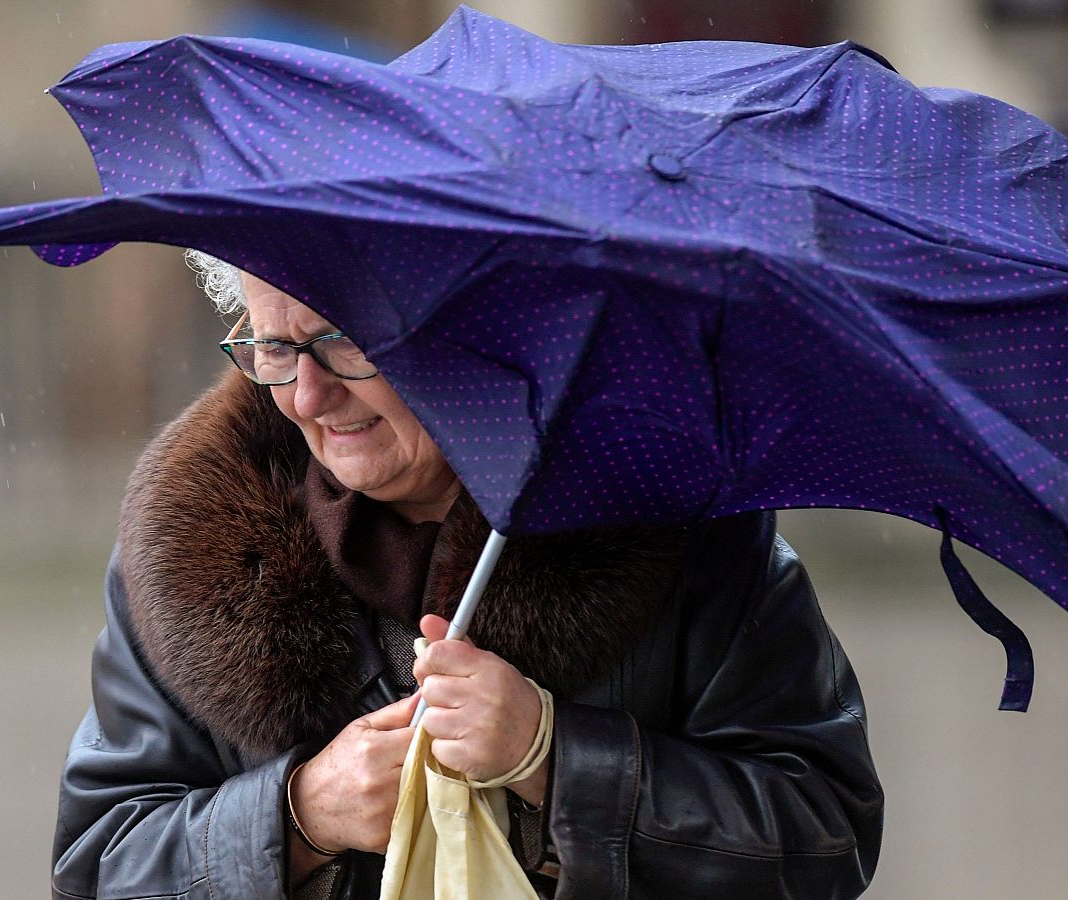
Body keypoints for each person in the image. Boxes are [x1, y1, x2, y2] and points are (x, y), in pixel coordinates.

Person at [49, 255, 884, 900]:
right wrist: (300, 816)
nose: (307, 395)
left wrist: (556, 760)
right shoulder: (187, 550)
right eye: (273, 346)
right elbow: (98, 864)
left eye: (344, 339)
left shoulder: (682, 527)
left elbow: (825, 837)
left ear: (465, 325)